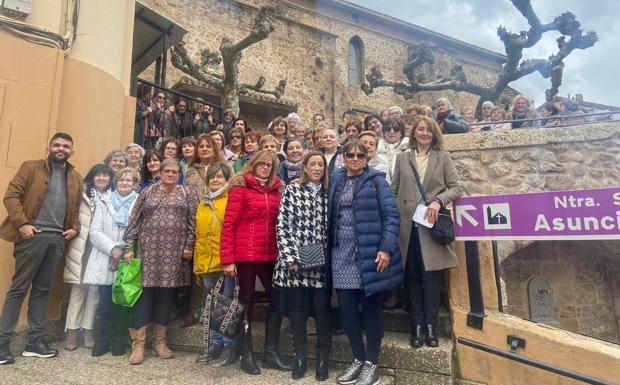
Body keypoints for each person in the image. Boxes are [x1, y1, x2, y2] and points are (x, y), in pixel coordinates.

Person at [0, 132, 82, 365]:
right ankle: (2, 343)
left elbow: (75, 210)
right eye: (57, 145)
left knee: (43, 291)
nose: (61, 148)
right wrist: (23, 224)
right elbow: (11, 196)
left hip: (57, 241)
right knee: (18, 289)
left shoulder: (75, 177)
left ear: (71, 151)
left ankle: (34, 342)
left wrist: (74, 228)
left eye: (66, 146)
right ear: (49, 148)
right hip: (31, 237)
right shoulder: (31, 167)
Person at [327, 140, 403, 385]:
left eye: (361, 155)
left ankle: (372, 363)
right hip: (341, 254)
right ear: (343, 156)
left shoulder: (376, 180)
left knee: (371, 309)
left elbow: (392, 215)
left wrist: (385, 248)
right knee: (347, 309)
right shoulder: (337, 178)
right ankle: (357, 359)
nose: (355, 158)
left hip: (370, 253)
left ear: (367, 157)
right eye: (350, 154)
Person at [391, 116, 464, 349]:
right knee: (411, 276)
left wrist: (438, 202)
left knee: (431, 278)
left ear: (434, 134)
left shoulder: (443, 158)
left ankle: (431, 326)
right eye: (420, 129)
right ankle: (417, 326)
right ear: (414, 133)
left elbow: (457, 187)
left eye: (428, 130)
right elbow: (394, 189)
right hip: (407, 226)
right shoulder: (402, 157)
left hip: (430, 225)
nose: (424, 133)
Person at [220, 150, 291, 375]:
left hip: (271, 256)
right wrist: (228, 259)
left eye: (269, 165)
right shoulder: (240, 188)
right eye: (261, 164)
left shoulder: (278, 190)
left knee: (278, 300)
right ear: (253, 164)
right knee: (246, 303)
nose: (265, 168)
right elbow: (229, 224)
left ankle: (271, 352)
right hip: (246, 256)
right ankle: (246, 353)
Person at [122, 158, 198, 365]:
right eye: (168, 171)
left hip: (174, 254)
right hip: (148, 252)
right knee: (145, 295)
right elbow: (134, 220)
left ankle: (160, 343)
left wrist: (188, 245)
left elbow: (193, 221)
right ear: (161, 172)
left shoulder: (187, 193)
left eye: (175, 171)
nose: (171, 174)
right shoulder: (147, 192)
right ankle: (138, 345)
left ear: (179, 174)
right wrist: (129, 247)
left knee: (166, 295)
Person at [274, 152, 331, 381]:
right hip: (297, 261)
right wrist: (291, 257)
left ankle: (322, 359)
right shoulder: (293, 189)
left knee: (322, 312)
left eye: (320, 164)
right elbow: (283, 224)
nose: (317, 168)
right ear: (305, 168)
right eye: (313, 164)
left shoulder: (330, 192)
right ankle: (300, 356)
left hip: (321, 262)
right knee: (297, 312)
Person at [83, 168, 139, 357]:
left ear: (134, 183)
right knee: (105, 302)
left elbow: (139, 229)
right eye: (121, 180)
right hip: (106, 257)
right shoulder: (103, 202)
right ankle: (102, 340)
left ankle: (118, 341)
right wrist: (113, 248)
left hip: (128, 259)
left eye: (129, 180)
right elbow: (95, 231)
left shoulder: (139, 202)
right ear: (115, 182)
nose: (124, 183)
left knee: (123, 305)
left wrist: (127, 249)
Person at [63, 164, 114, 352]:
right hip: (81, 247)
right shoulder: (82, 194)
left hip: (99, 249)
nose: (101, 178)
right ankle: (72, 331)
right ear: (92, 176)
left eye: (105, 175)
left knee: (94, 292)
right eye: (98, 175)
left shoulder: (112, 197)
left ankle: (88, 330)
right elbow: (71, 214)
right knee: (78, 289)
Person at [193, 162, 237, 366]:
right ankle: (216, 344)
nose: (215, 180)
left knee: (227, 304)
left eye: (220, 177)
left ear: (227, 179)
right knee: (212, 305)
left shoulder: (231, 199)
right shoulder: (203, 203)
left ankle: (229, 345)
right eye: (212, 177)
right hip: (206, 260)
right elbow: (199, 235)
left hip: (226, 260)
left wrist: (231, 258)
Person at [185, 134, 227, 201]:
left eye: (208, 146)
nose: (204, 149)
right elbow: (187, 192)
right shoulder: (191, 170)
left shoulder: (224, 166)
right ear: (197, 151)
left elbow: (232, 187)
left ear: (214, 149)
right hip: (196, 209)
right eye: (201, 146)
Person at [377, 117, 409, 185]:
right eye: (388, 129)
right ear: (384, 133)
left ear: (401, 133)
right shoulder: (375, 148)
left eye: (396, 129)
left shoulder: (410, 149)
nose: (391, 131)